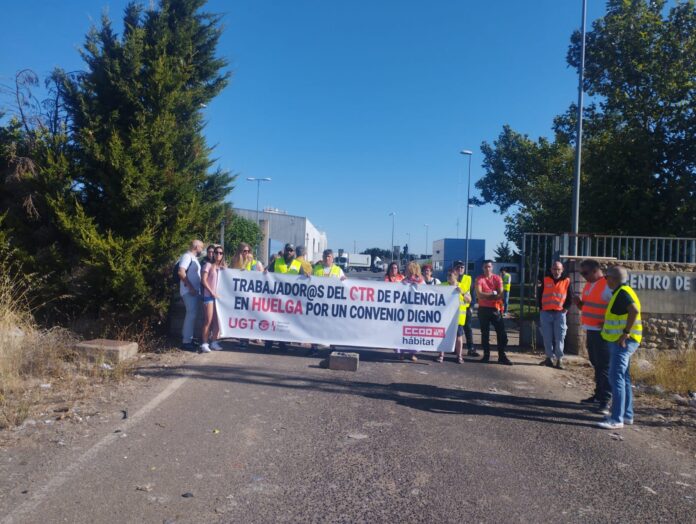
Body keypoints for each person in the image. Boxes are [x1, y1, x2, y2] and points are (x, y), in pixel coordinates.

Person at [597, 266, 642, 430]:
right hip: (622, 341)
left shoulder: (622, 293)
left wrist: (626, 333)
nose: (605, 280)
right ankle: (627, 415)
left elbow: (634, 311)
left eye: (606, 277)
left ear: (612, 278)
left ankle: (616, 419)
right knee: (624, 378)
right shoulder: (622, 291)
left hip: (622, 342)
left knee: (616, 378)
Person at [573, 259, 613, 414]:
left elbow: (617, 308)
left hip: (603, 333)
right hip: (590, 330)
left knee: (604, 366)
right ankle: (598, 395)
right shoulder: (590, 285)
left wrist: (608, 323)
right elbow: (588, 307)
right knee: (596, 364)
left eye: (585, 273)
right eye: (581, 273)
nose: (583, 276)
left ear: (596, 270)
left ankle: (606, 400)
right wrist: (579, 303)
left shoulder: (607, 285)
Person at [475, 260, 512, 365]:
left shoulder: (497, 278)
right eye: (485, 267)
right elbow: (479, 295)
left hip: (495, 309)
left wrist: (486, 295)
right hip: (483, 309)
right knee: (485, 334)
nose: (487, 269)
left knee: (502, 334)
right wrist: (493, 294)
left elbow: (501, 295)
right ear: (483, 268)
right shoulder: (479, 279)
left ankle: (502, 355)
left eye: (489, 267)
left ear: (492, 267)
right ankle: (486, 355)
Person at [537, 261, 573, 369]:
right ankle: (549, 358)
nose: (556, 271)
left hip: (559, 313)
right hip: (546, 312)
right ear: (551, 270)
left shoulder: (566, 281)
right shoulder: (546, 279)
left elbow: (570, 297)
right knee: (547, 337)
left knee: (560, 337)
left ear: (562, 270)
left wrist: (566, 309)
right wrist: (541, 308)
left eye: (558, 269)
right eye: (554, 269)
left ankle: (559, 359)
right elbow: (539, 295)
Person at [265, 243, 302, 350]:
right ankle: (269, 342)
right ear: (284, 251)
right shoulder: (277, 262)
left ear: (294, 252)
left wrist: (307, 277)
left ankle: (282, 343)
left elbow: (304, 280)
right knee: (272, 320)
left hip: (290, 300)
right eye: (287, 250)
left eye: (291, 250)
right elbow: (266, 272)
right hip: (275, 298)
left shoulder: (298, 265)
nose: (289, 252)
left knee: (285, 321)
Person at [178, 239, 204, 350]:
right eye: (201, 247)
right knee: (191, 314)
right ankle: (186, 342)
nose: (202, 249)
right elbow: (181, 272)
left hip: (193, 291)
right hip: (189, 291)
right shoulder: (187, 256)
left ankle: (189, 339)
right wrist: (190, 287)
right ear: (196, 247)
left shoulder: (193, 258)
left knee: (192, 315)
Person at [395, 262, 424, 362]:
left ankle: (412, 353)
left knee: (414, 332)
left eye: (408, 268)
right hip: (404, 311)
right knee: (402, 332)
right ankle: (401, 353)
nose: (406, 270)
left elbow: (426, 292)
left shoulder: (420, 280)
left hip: (415, 311)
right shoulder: (404, 280)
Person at [200, 245, 226, 353]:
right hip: (208, 296)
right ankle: (204, 343)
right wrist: (212, 292)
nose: (218, 255)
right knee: (208, 320)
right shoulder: (208, 265)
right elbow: (203, 280)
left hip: (218, 298)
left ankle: (214, 342)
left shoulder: (223, 267)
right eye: (216, 252)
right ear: (213, 254)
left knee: (217, 321)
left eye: (221, 253)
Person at [436, 268, 463, 363]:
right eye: (447, 275)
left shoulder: (461, 286)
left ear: (456, 276)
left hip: (457, 318)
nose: (447, 277)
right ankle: (441, 355)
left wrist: (462, 292)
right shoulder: (443, 285)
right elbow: (431, 290)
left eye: (450, 275)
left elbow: (469, 299)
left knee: (458, 337)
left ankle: (459, 356)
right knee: (442, 335)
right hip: (445, 317)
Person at [455, 260, 478, 358]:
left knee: (467, 329)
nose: (460, 269)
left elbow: (473, 293)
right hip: (453, 310)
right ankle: (454, 348)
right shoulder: (451, 277)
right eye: (458, 267)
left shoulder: (468, 279)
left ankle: (471, 348)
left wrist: (471, 306)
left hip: (465, 309)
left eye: (462, 267)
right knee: (455, 330)